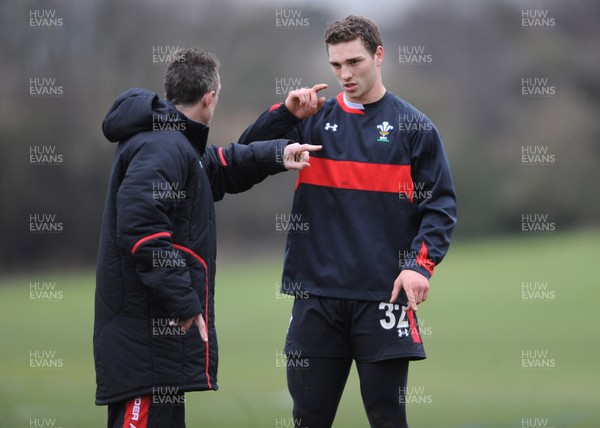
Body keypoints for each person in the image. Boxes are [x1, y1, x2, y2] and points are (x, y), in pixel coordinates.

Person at [239, 15, 457, 428]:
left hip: (383, 297)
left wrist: (419, 265)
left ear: (379, 55)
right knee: (308, 418)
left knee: (387, 417)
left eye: (354, 62)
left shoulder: (416, 129)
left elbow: (440, 206)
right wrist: (284, 115)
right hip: (316, 297)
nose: (345, 74)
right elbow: (243, 157)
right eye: (336, 65)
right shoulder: (311, 119)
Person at [93, 48, 321, 428]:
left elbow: (218, 167)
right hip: (147, 344)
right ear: (210, 96)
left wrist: (279, 153)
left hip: (156, 345)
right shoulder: (163, 146)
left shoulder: (175, 143)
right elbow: (139, 227)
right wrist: (184, 300)